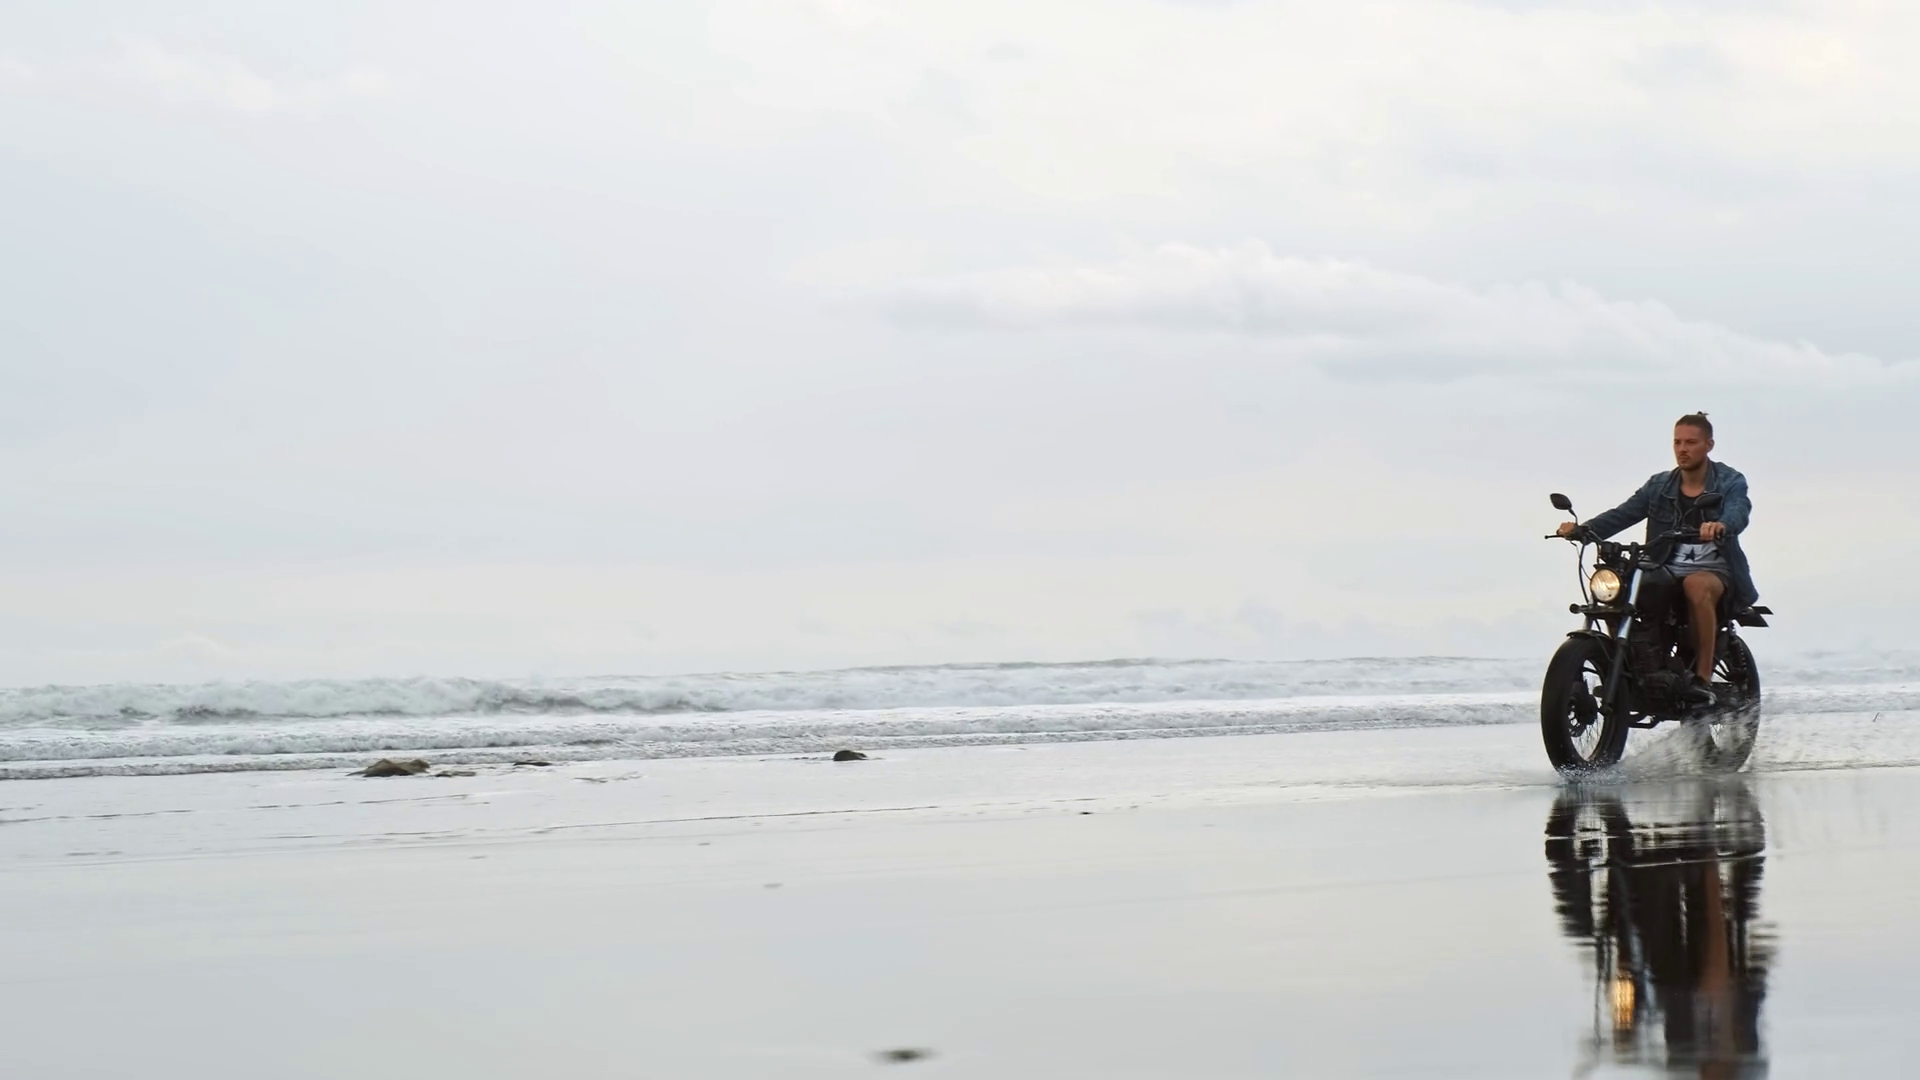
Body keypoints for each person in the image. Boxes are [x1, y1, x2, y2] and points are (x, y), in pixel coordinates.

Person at [1555, 413, 1758, 696]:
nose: (1682, 449)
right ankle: (1629, 668)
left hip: (1715, 570)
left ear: (1709, 445)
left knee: (1695, 585)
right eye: (1677, 442)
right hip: (1663, 564)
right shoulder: (1659, 486)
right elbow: (1624, 514)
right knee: (1619, 588)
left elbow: (1739, 510)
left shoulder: (1729, 481)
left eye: (1691, 442)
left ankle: (1702, 680)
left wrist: (1721, 525)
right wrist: (1583, 529)